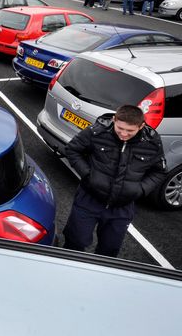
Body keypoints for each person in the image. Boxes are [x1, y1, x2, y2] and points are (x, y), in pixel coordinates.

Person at [62, 105, 167, 258]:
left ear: (141, 126)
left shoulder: (152, 143)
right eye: (120, 128)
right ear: (114, 120)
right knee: (75, 243)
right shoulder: (96, 132)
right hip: (88, 200)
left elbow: (159, 171)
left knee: (109, 251)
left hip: (122, 208)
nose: (124, 134)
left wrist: (141, 189)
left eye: (130, 131)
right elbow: (72, 150)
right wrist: (88, 175)